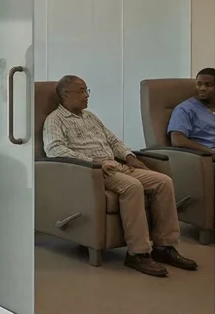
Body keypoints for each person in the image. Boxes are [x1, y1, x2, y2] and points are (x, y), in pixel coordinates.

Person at [43, 75, 197, 277]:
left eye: (87, 90)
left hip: (115, 165)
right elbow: (54, 149)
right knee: (132, 186)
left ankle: (164, 246)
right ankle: (137, 253)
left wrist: (130, 156)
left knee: (163, 182)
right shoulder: (55, 120)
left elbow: (113, 141)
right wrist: (93, 162)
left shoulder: (90, 117)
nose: (86, 95)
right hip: (91, 172)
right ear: (65, 94)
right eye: (81, 91)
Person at [168, 67, 215, 154]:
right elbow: (178, 140)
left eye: (208, 85)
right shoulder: (184, 109)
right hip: (209, 156)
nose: (202, 88)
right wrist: (211, 152)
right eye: (199, 84)